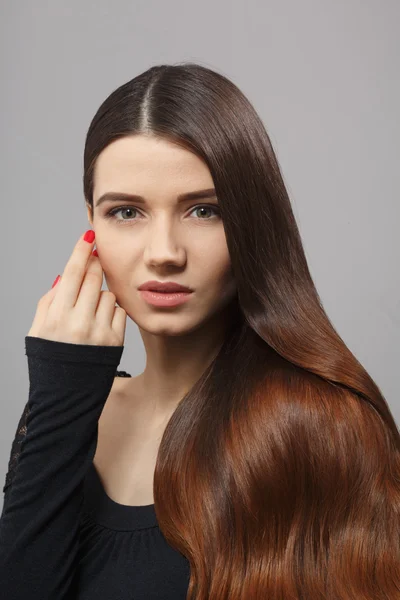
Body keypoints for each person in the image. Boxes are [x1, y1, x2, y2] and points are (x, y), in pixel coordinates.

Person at [1, 62, 399, 600]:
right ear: (91, 226)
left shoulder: (321, 424)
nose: (164, 253)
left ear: (252, 223)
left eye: (204, 210)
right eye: (126, 213)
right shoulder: (62, 412)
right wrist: (59, 394)